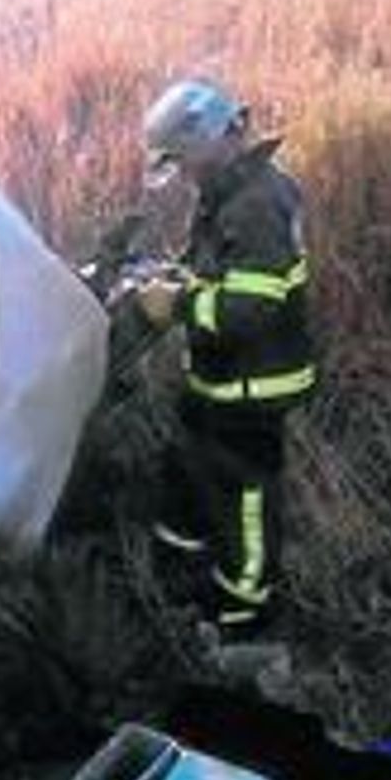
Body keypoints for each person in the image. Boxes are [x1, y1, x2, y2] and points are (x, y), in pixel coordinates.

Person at [133, 80, 316, 642]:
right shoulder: (227, 194)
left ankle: (243, 614)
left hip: (252, 389)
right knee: (187, 473)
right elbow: (217, 273)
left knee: (246, 500)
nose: (183, 173)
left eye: (184, 159)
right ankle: (179, 580)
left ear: (217, 138)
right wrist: (171, 278)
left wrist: (179, 303)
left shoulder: (260, 202)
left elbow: (248, 309)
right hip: (217, 382)